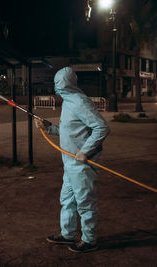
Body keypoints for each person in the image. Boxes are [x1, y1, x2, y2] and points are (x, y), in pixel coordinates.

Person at [35, 67, 110, 253]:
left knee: (85, 201)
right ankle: (68, 235)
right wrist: (49, 127)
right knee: (67, 199)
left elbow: (102, 127)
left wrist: (85, 151)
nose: (55, 87)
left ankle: (90, 240)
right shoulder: (68, 102)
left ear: (64, 83)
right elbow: (69, 130)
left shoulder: (79, 102)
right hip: (69, 162)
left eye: (57, 83)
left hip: (82, 163)